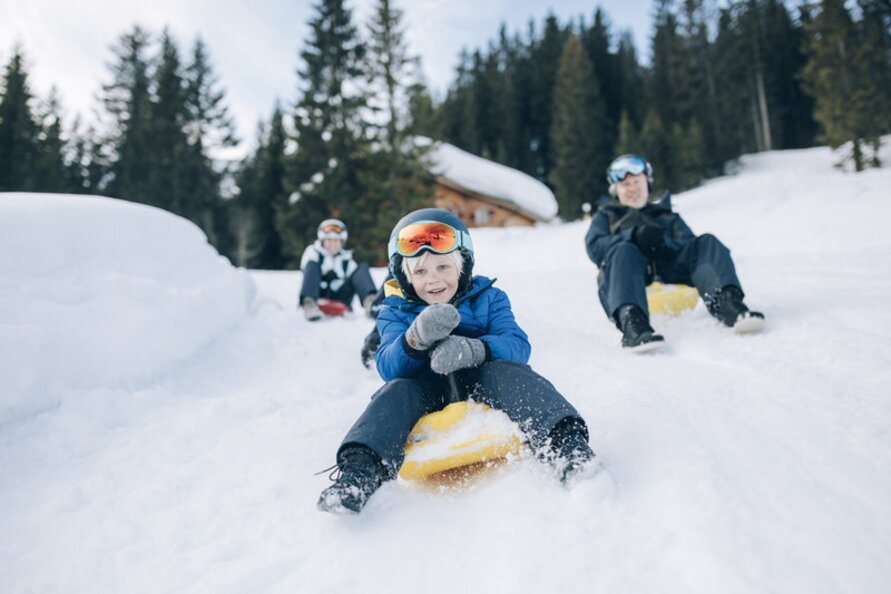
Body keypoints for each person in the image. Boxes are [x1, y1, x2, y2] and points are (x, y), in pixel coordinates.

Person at [318, 208, 597, 514]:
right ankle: (358, 474)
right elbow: (387, 365)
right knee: (394, 392)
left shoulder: (490, 298)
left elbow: (518, 345)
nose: (433, 280)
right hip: (424, 388)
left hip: (482, 379)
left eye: (443, 267)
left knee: (512, 372)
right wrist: (415, 339)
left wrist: (474, 349)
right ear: (405, 276)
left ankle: (567, 447)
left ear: (462, 266)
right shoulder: (394, 310)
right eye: (420, 272)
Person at [584, 154, 764, 352]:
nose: (632, 188)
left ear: (647, 184)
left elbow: (691, 247)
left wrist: (664, 244)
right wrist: (632, 236)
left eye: (637, 182)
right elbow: (594, 247)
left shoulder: (666, 215)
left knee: (706, 242)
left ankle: (727, 303)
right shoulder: (606, 217)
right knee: (623, 251)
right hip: (627, 277)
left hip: (668, 269)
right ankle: (632, 324)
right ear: (615, 190)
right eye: (626, 184)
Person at [299, 219, 377, 321]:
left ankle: (371, 304)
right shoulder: (313, 252)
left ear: (342, 242)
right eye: (329, 240)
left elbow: (357, 278)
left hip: (341, 298)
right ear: (323, 241)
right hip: (319, 294)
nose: (333, 244)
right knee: (312, 266)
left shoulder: (346, 259)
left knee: (361, 268)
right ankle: (309, 304)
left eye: (336, 240)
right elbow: (306, 267)